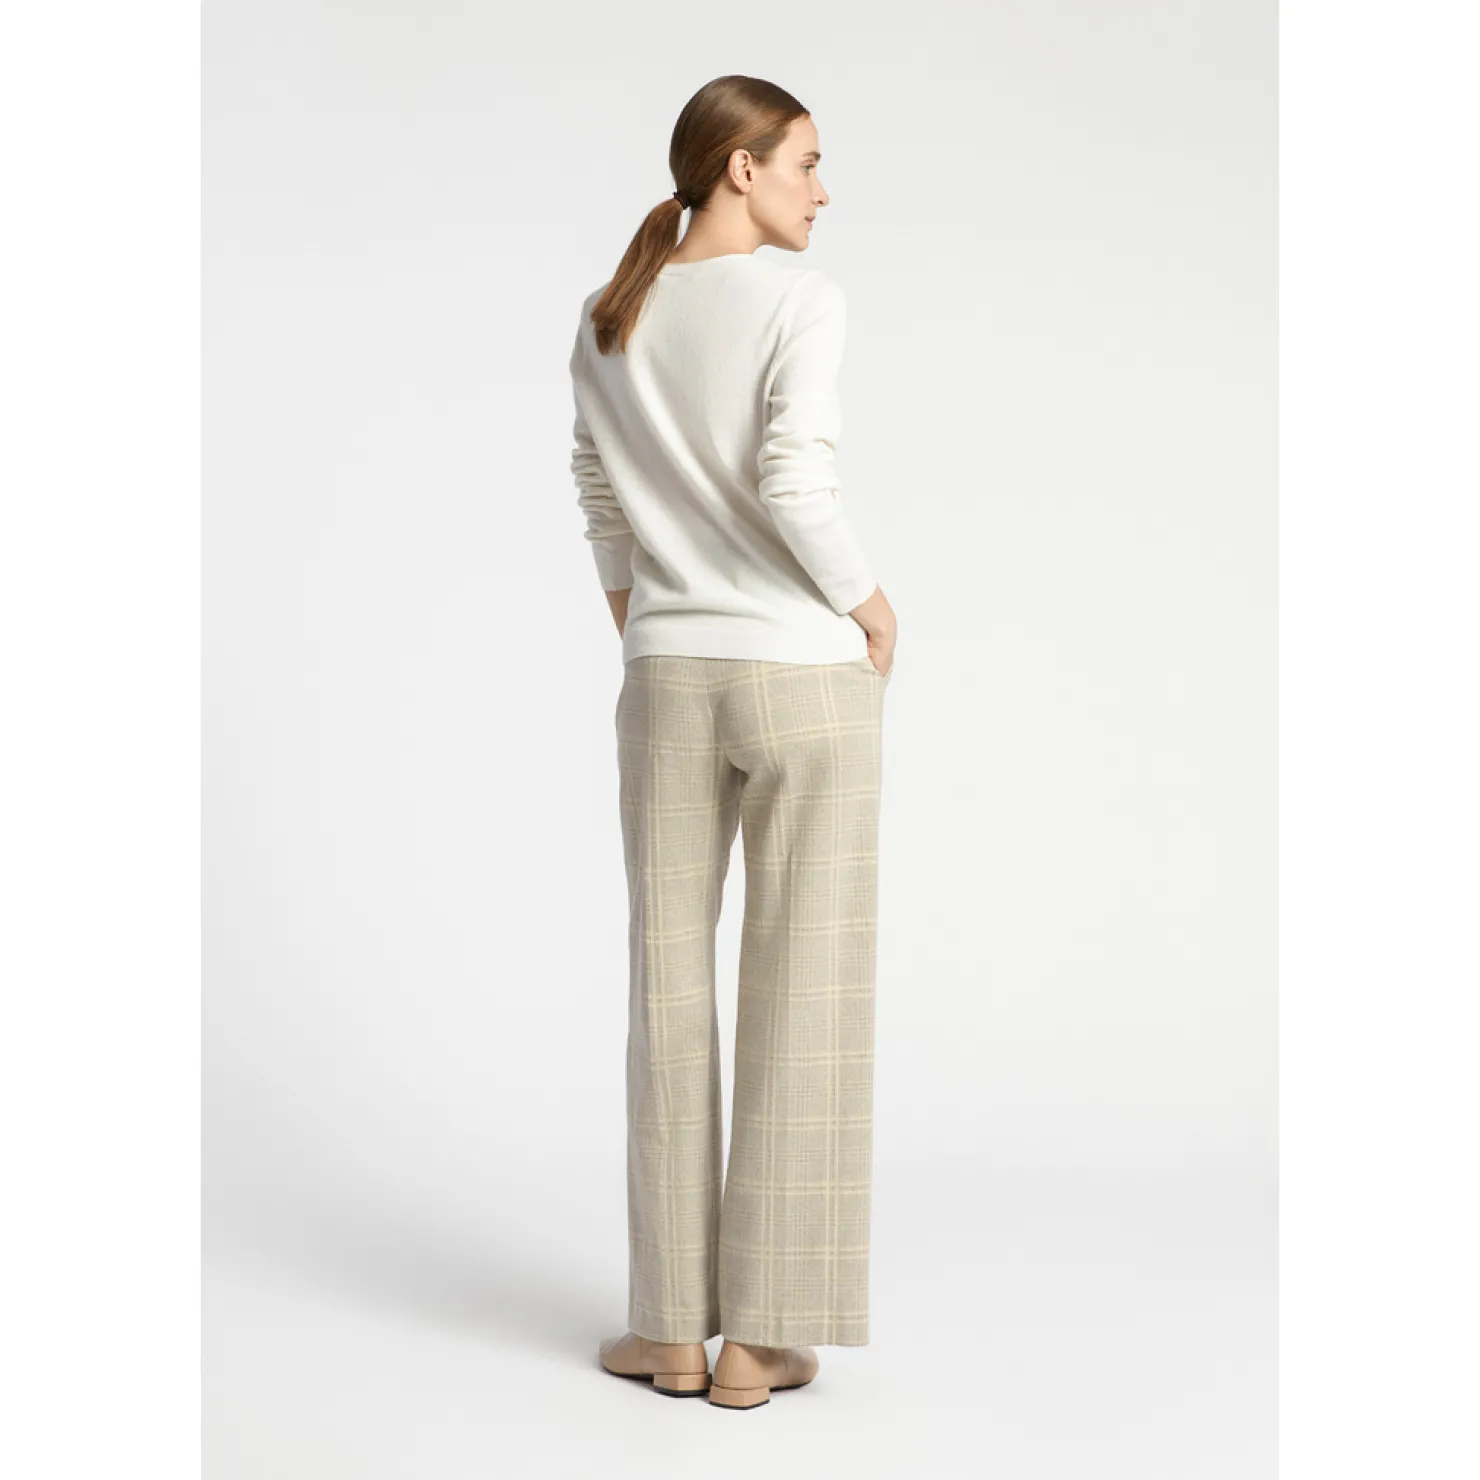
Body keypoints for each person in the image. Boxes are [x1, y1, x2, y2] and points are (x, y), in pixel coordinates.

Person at [568, 74, 898, 1411]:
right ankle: (759, 1342)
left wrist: (645, 620)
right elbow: (793, 479)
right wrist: (871, 605)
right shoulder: (799, 300)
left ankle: (668, 1330)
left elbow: (597, 492)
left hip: (667, 678)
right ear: (742, 167)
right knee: (804, 987)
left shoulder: (611, 313)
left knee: (666, 986)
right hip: (801, 676)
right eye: (807, 161)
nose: (823, 188)